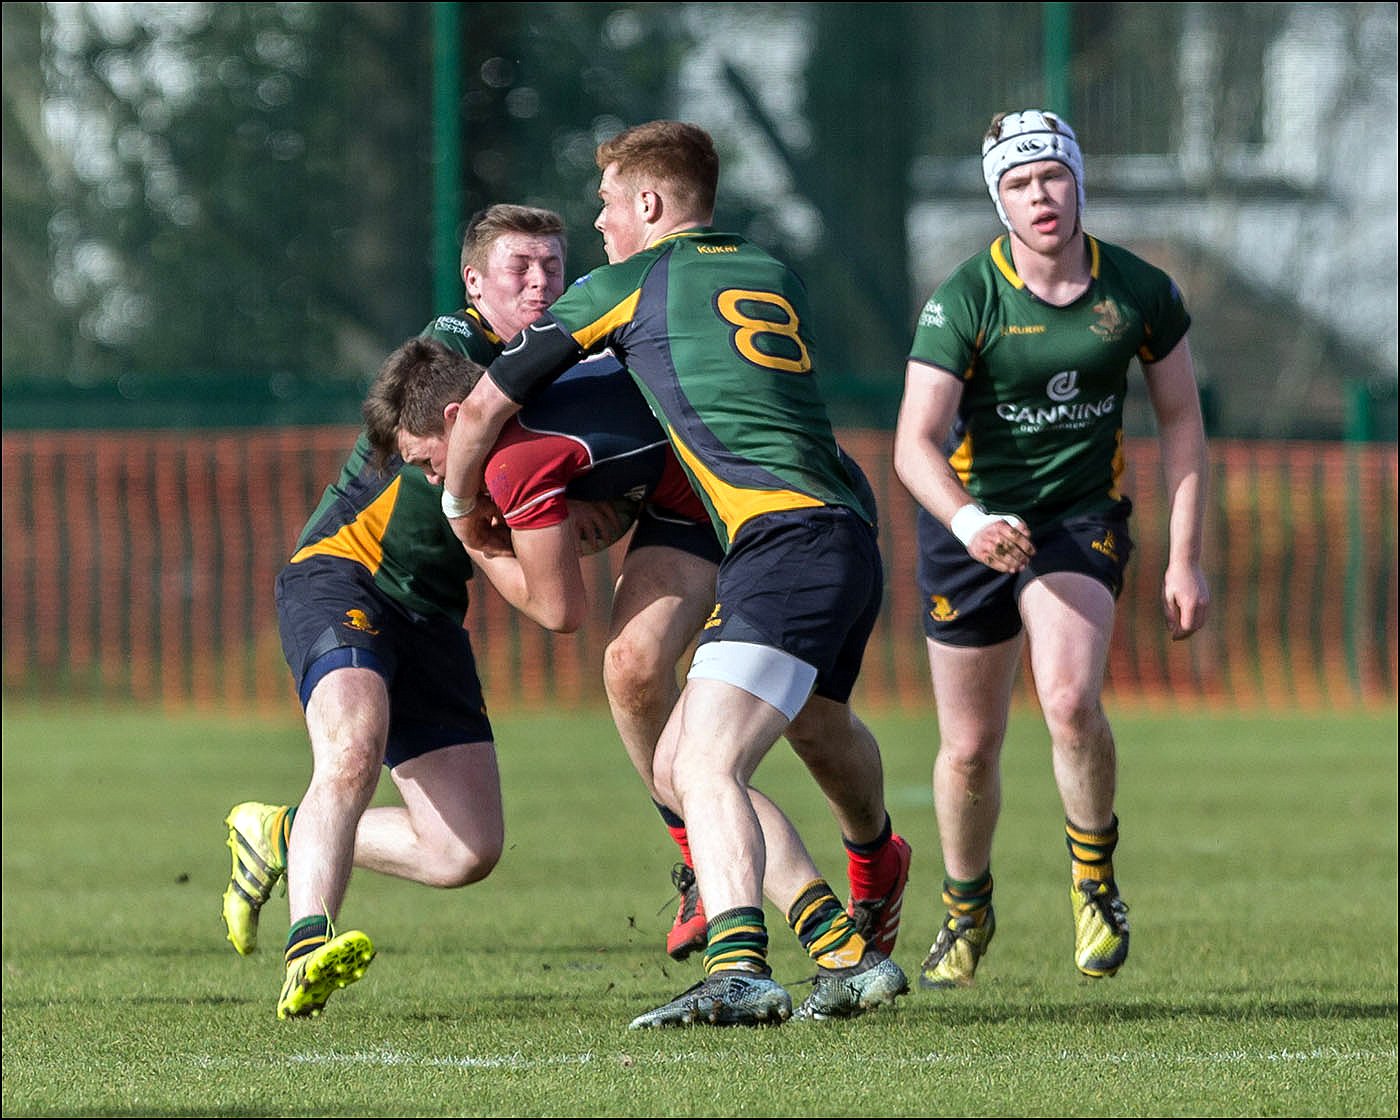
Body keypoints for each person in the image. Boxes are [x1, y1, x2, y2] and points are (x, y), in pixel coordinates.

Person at [439, 120, 910, 1027]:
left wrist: (463, 505)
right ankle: (848, 948)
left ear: (650, 203)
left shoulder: (631, 282)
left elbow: (487, 407)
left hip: (782, 542)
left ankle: (739, 970)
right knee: (759, 742)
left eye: (608, 204)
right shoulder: (770, 271)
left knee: (700, 763)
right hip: (844, 527)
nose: (600, 224)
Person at [366, 336, 908, 977]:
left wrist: (476, 542)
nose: (434, 480)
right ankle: (713, 863)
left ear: (458, 418)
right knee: (633, 670)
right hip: (696, 508)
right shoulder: (538, 395)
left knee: (798, 732)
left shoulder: (511, 460)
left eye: (425, 461)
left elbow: (558, 610)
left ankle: (871, 866)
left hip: (776, 508)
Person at [218, 205, 569, 1019]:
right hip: (344, 575)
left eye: (554, 265)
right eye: (519, 267)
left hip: (433, 610)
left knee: (463, 850)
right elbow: (463, 401)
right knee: (352, 750)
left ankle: (282, 833)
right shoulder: (454, 347)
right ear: (474, 282)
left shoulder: (562, 362)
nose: (540, 282)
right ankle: (308, 944)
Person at [891, 109, 1210, 989]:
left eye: (1053, 176)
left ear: (1078, 183)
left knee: (1069, 700)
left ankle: (1095, 884)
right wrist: (971, 524)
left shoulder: (1138, 290)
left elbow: (1184, 421)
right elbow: (913, 444)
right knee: (968, 748)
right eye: (1020, 183)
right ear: (1000, 201)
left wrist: (1185, 557)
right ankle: (967, 908)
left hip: (1078, 517)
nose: (1040, 195)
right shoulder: (966, 297)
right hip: (971, 524)